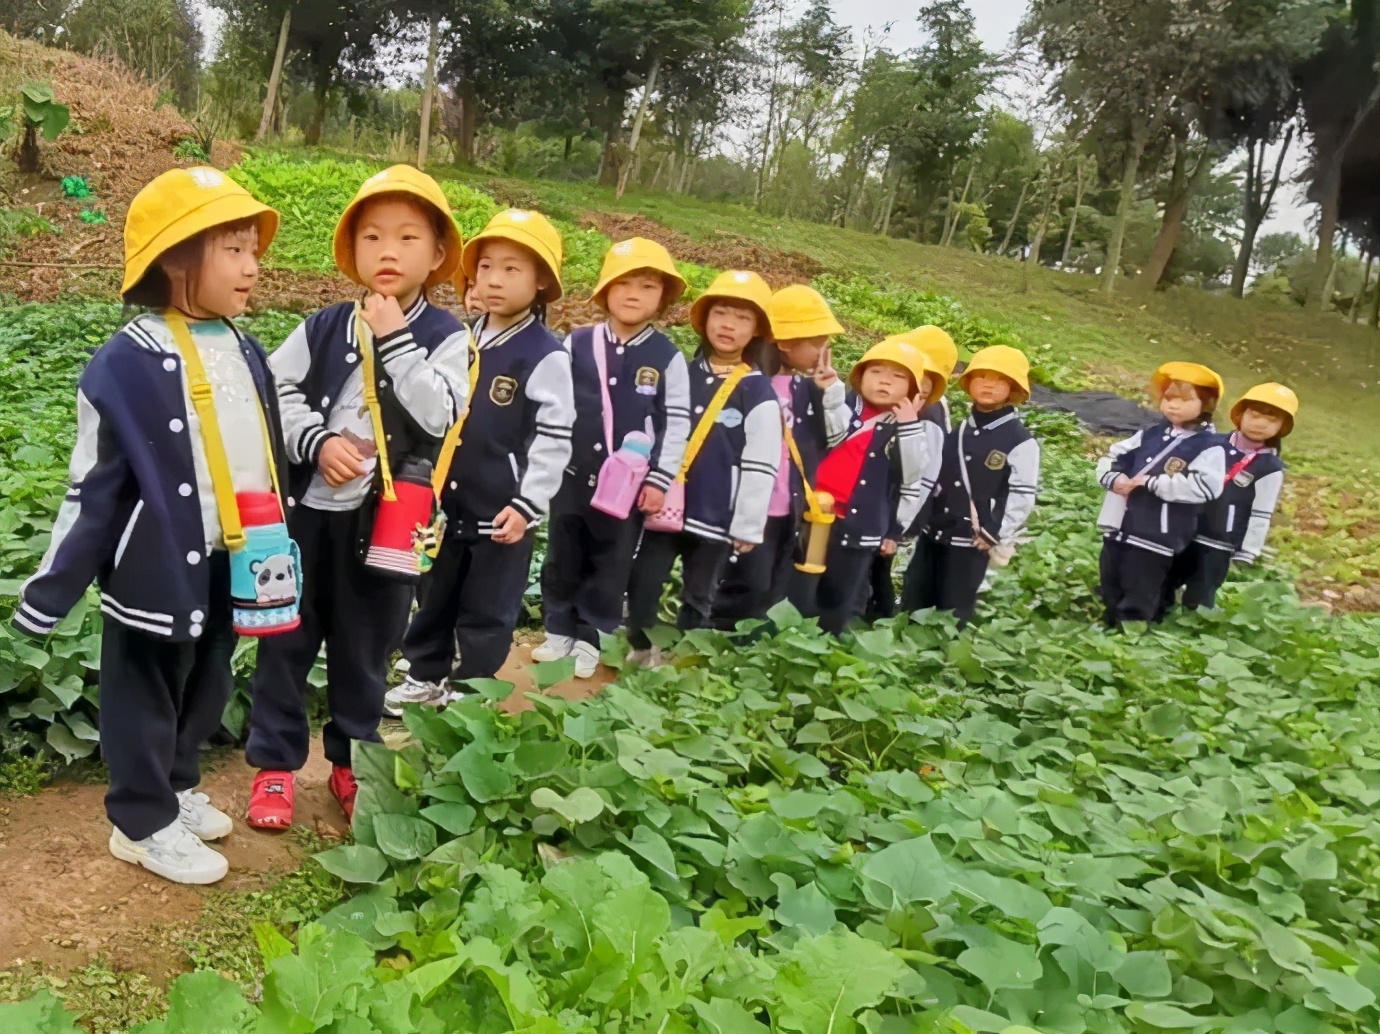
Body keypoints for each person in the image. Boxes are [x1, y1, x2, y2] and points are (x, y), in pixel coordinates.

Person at [12, 167, 285, 883]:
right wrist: (50, 592)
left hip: (236, 554)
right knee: (145, 688)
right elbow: (91, 486)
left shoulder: (245, 347)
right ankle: (140, 821)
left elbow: (266, 454)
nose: (253, 266)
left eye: (253, 249)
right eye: (233, 249)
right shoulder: (125, 364)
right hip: (153, 566)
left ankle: (177, 786)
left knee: (209, 679)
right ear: (175, 256)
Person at [245, 165, 470, 828]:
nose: (388, 251)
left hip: (391, 525)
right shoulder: (321, 326)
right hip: (307, 518)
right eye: (371, 237)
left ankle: (350, 763)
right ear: (352, 252)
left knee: (367, 646)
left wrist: (397, 339)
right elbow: (271, 395)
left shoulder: (447, 338)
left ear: (436, 255)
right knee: (284, 638)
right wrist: (314, 442)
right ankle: (276, 769)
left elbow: (439, 413)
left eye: (407, 238)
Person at [386, 209, 574, 706]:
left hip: (503, 509)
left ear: (540, 283)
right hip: (445, 502)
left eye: (511, 269)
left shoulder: (544, 354)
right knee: (434, 595)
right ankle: (425, 674)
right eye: (486, 266)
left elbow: (554, 440)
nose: (493, 280)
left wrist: (529, 504)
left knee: (487, 605)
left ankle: (472, 689)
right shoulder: (459, 337)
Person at [532, 238, 691, 676]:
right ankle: (557, 629)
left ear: (662, 299)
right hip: (571, 472)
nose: (632, 294)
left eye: (646, 286)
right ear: (604, 291)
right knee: (563, 553)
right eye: (622, 283)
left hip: (629, 486)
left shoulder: (666, 357)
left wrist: (659, 480)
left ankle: (590, 636)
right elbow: (552, 405)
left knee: (611, 560)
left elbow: (677, 424)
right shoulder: (576, 343)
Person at [625, 270, 783, 665]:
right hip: (667, 505)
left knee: (700, 592)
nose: (728, 325)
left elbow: (762, 460)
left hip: (717, 513)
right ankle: (638, 646)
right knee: (644, 579)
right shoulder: (681, 371)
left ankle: (684, 659)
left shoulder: (757, 389)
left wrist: (748, 523)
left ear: (756, 331)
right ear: (704, 319)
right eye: (722, 313)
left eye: (742, 318)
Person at [711, 283, 849, 628]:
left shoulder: (811, 389)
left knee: (774, 579)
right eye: (817, 341)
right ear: (785, 343)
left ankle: (752, 639)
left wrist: (831, 392)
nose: (825, 349)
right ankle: (717, 632)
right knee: (745, 578)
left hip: (791, 504)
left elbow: (839, 438)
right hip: (750, 503)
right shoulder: (746, 383)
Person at [797, 336, 943, 635]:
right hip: (811, 511)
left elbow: (912, 475)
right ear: (860, 376)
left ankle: (826, 642)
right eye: (876, 372)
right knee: (797, 580)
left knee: (839, 590)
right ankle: (785, 638)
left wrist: (909, 426)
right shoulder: (845, 404)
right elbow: (831, 432)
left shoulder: (909, 426)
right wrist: (832, 389)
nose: (885, 381)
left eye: (898, 376)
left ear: (914, 390)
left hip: (860, 525)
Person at [904, 345, 1041, 623]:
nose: (988, 384)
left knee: (953, 610)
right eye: (980, 376)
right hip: (934, 531)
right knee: (913, 599)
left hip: (973, 540)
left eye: (999, 379)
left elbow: (1021, 494)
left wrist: (994, 531)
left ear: (1014, 388)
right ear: (968, 383)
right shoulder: (961, 429)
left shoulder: (1020, 440)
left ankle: (944, 660)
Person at [1096, 361, 1226, 626]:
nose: (1173, 406)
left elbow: (1206, 486)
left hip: (1158, 533)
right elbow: (1115, 455)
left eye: (1184, 400)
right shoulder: (1151, 434)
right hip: (1122, 524)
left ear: (1207, 404)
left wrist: (1155, 483)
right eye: (1168, 398)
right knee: (1111, 575)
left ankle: (1130, 630)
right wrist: (1114, 477)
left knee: (1140, 583)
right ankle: (1109, 619)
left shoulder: (1209, 446)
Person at [1167, 382, 1296, 610]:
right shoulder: (1210, 443)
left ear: (1282, 427)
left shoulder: (1269, 467)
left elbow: (1261, 513)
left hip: (1220, 541)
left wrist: (1248, 551)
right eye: (1255, 415)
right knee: (1164, 576)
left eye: (1272, 420)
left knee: (1201, 593)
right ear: (1239, 414)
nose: (1261, 423)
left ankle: (1193, 632)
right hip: (1183, 528)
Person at [865, 325, 958, 619]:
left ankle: (878, 617)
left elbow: (923, 476)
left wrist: (897, 526)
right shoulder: (901, 402)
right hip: (885, 502)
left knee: (877, 565)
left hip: (899, 507)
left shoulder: (927, 414)